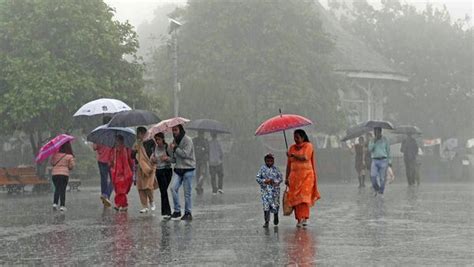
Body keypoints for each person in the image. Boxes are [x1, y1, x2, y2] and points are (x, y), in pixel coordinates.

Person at [285, 129, 320, 227]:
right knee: (296, 199)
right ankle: (299, 218)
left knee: (303, 198)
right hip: (294, 178)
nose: (295, 139)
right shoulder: (291, 148)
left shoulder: (308, 146)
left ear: (303, 137)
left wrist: (293, 155)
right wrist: (286, 177)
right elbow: (289, 165)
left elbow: (305, 157)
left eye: (297, 137)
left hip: (307, 177)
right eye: (294, 137)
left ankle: (303, 218)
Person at [169, 124, 196, 221]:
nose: (174, 132)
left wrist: (175, 148)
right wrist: (168, 152)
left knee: (187, 193)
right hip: (178, 169)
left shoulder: (188, 140)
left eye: (175, 130)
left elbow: (185, 154)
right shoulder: (174, 141)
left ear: (180, 130)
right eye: (173, 130)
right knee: (173, 188)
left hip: (188, 169)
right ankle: (177, 211)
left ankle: (188, 213)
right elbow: (173, 159)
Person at [133, 127, 157, 213]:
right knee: (141, 187)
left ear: (142, 133)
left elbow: (155, 152)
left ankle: (152, 201)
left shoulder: (151, 141)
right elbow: (132, 156)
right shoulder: (137, 144)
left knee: (148, 186)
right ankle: (144, 206)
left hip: (150, 167)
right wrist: (135, 151)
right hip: (140, 168)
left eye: (138, 133)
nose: (138, 135)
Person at [256, 153, 282, 228]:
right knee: (266, 206)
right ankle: (266, 221)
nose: (269, 163)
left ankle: (276, 215)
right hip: (265, 191)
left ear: (273, 161)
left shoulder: (276, 169)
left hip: (275, 191)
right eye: (268, 161)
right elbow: (257, 178)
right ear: (265, 161)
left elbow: (280, 178)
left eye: (271, 161)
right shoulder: (262, 169)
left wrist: (275, 182)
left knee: (275, 204)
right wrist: (264, 181)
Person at [151, 132, 173, 220]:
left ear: (162, 139)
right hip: (159, 171)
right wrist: (153, 159)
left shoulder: (167, 147)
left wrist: (167, 158)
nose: (157, 141)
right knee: (163, 191)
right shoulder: (154, 148)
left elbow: (173, 159)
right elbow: (151, 158)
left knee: (164, 191)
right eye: (156, 140)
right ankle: (166, 212)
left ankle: (166, 211)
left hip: (167, 171)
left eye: (159, 139)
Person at [93, 117, 113, 208]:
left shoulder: (99, 133)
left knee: (103, 179)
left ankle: (104, 195)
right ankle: (106, 195)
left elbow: (94, 147)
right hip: (111, 160)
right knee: (113, 180)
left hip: (101, 160)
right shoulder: (113, 133)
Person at [110, 135, 134, 212]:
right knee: (118, 190)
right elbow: (112, 161)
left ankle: (119, 204)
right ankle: (123, 204)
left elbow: (130, 160)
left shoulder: (125, 149)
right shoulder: (114, 150)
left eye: (118, 141)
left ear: (121, 141)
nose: (117, 143)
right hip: (116, 173)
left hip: (124, 173)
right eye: (116, 141)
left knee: (121, 191)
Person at [51, 142, 75, 212]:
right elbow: (72, 166)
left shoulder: (55, 155)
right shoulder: (69, 156)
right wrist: (68, 166)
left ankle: (55, 203)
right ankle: (62, 206)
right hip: (64, 174)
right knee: (62, 190)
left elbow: (52, 163)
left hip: (55, 174)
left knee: (57, 188)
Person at [368, 127, 391, 196]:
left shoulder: (385, 139)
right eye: (375, 132)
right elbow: (370, 149)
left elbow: (388, 151)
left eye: (377, 132)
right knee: (373, 177)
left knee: (382, 178)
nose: (376, 133)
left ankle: (381, 192)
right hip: (375, 160)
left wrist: (389, 161)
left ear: (380, 132)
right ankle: (377, 189)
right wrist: (374, 142)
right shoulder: (372, 140)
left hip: (383, 160)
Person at [193, 130, 209, 195]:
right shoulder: (204, 141)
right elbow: (207, 150)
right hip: (202, 160)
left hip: (196, 160)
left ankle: (199, 187)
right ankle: (199, 186)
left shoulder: (194, 140)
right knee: (203, 174)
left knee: (198, 174)